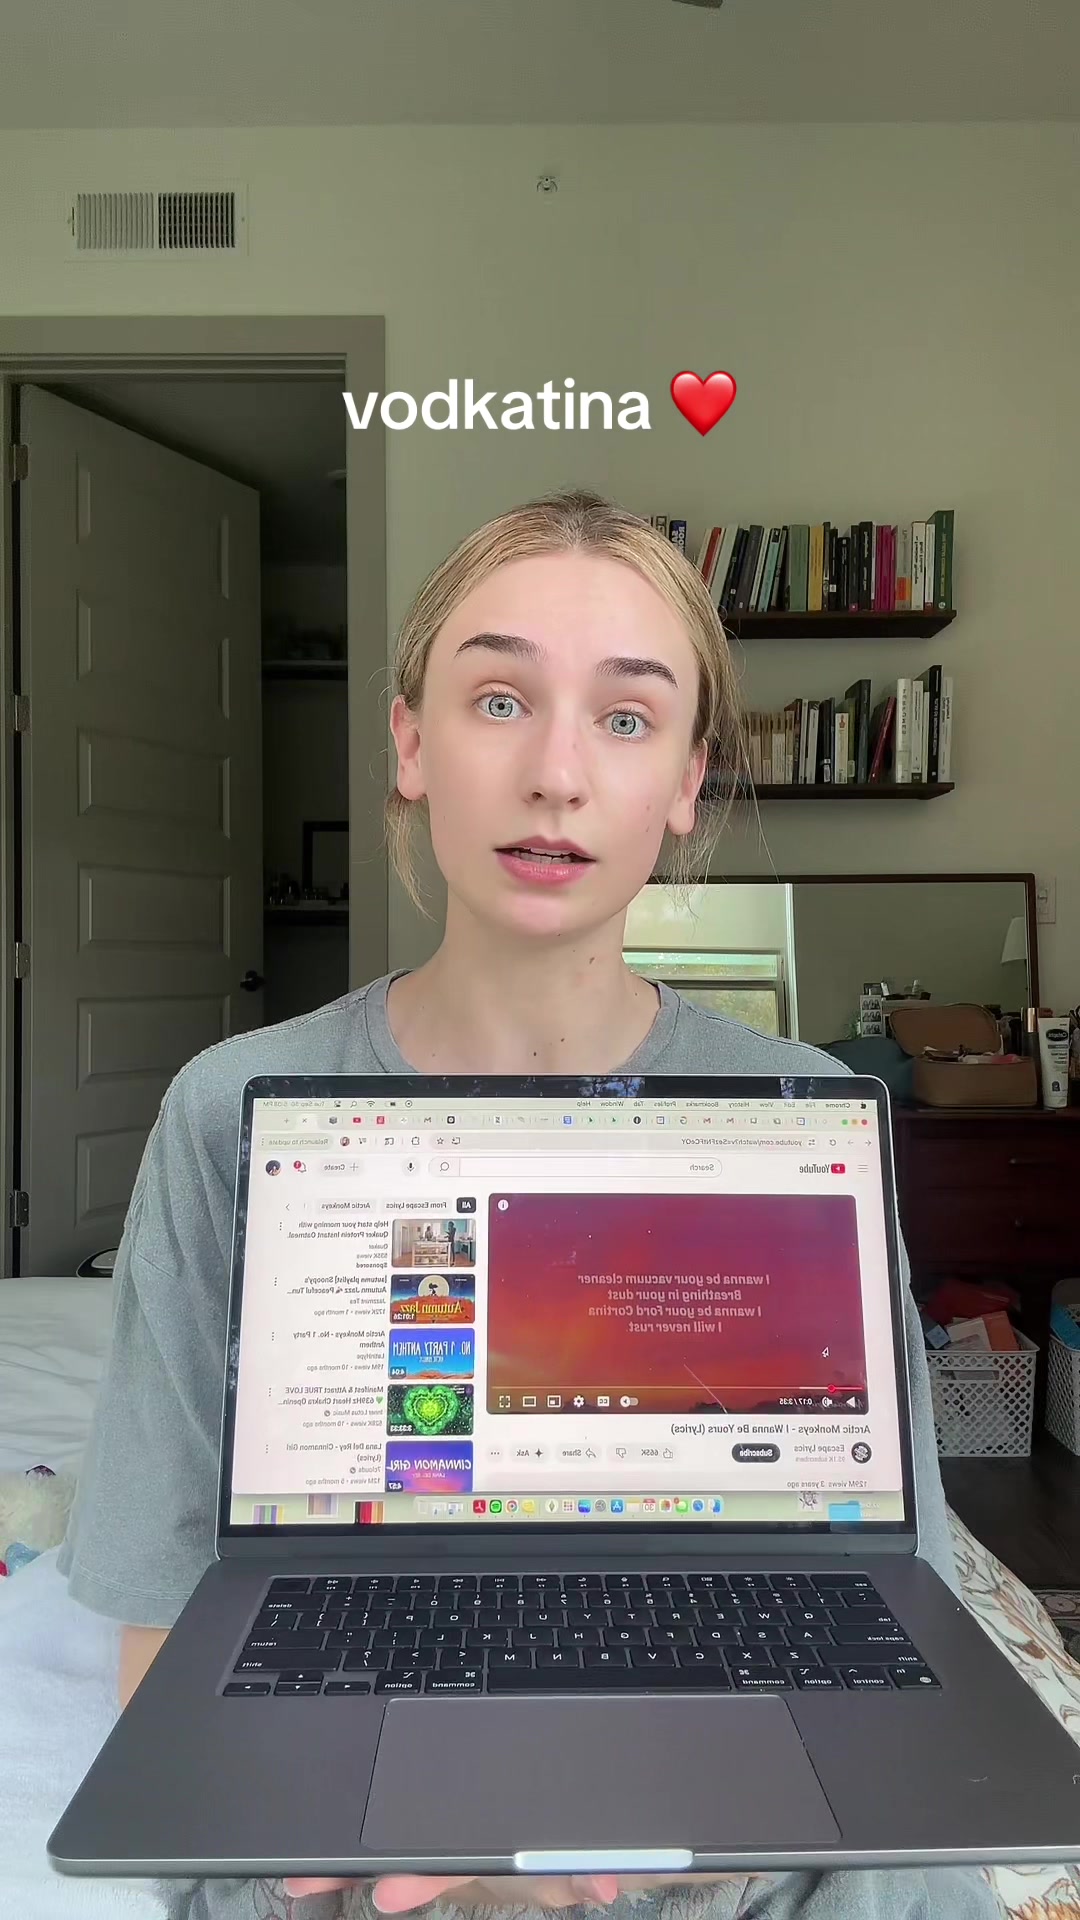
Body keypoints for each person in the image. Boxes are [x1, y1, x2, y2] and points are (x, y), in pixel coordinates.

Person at [56, 489, 997, 1920]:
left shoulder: (810, 1108)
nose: (557, 773)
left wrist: (725, 1824)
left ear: (686, 779)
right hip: (345, 1835)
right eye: (500, 699)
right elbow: (161, 1621)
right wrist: (361, 1832)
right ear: (411, 744)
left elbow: (897, 1586)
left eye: (626, 717)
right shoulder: (223, 1109)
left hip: (752, 1823)